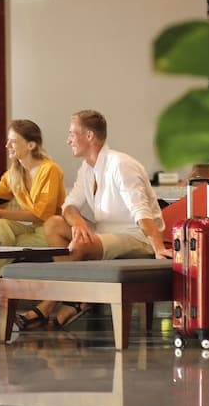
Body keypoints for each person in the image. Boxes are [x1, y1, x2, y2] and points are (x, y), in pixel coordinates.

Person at [26, 110, 172, 330]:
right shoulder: (87, 168)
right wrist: (78, 222)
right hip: (105, 233)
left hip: (137, 235)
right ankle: (76, 299)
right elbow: (69, 206)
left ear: (89, 135)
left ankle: (48, 305)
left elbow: (141, 212)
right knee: (53, 224)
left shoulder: (121, 164)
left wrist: (159, 248)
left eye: (72, 134)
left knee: (80, 246)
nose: (68, 140)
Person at [0, 120, 66, 300]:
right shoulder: (13, 174)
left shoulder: (50, 170)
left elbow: (43, 214)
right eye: (8, 140)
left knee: (6, 239)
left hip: (51, 231)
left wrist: (1, 213)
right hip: (32, 228)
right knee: (0, 226)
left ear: (31, 145)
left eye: (13, 141)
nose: (7, 145)